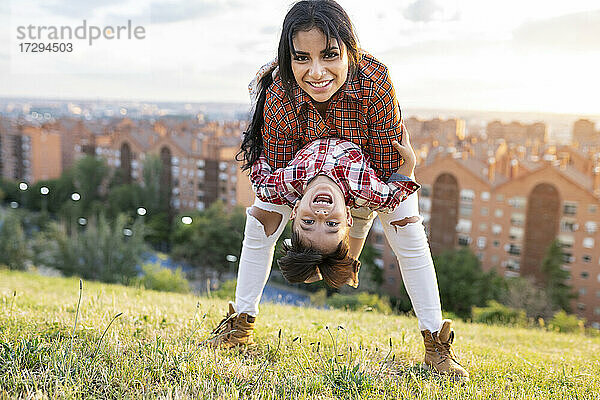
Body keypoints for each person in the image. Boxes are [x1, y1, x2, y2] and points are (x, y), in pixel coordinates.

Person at [209, 0, 468, 379]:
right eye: (302, 58)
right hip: (320, 179)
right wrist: (309, 218)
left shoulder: (374, 82)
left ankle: (435, 344)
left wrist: (393, 188)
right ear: (289, 57)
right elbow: (273, 174)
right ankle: (240, 324)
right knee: (260, 218)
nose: (316, 72)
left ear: (349, 48)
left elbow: (390, 173)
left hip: (374, 172)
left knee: (408, 231)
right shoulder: (280, 92)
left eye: (330, 55)